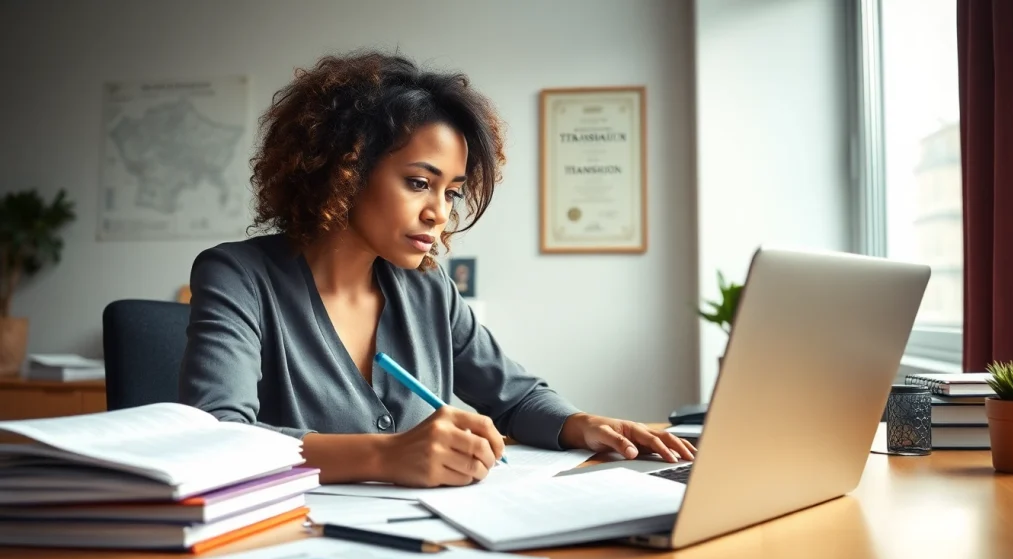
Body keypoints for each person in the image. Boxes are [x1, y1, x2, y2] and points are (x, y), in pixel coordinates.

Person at [179, 50, 695, 488]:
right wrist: (385, 456)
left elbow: (515, 397)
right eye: (419, 183)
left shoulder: (427, 286)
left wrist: (580, 424)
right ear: (344, 170)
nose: (440, 213)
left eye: (451, 192)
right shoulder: (237, 275)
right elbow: (220, 438)